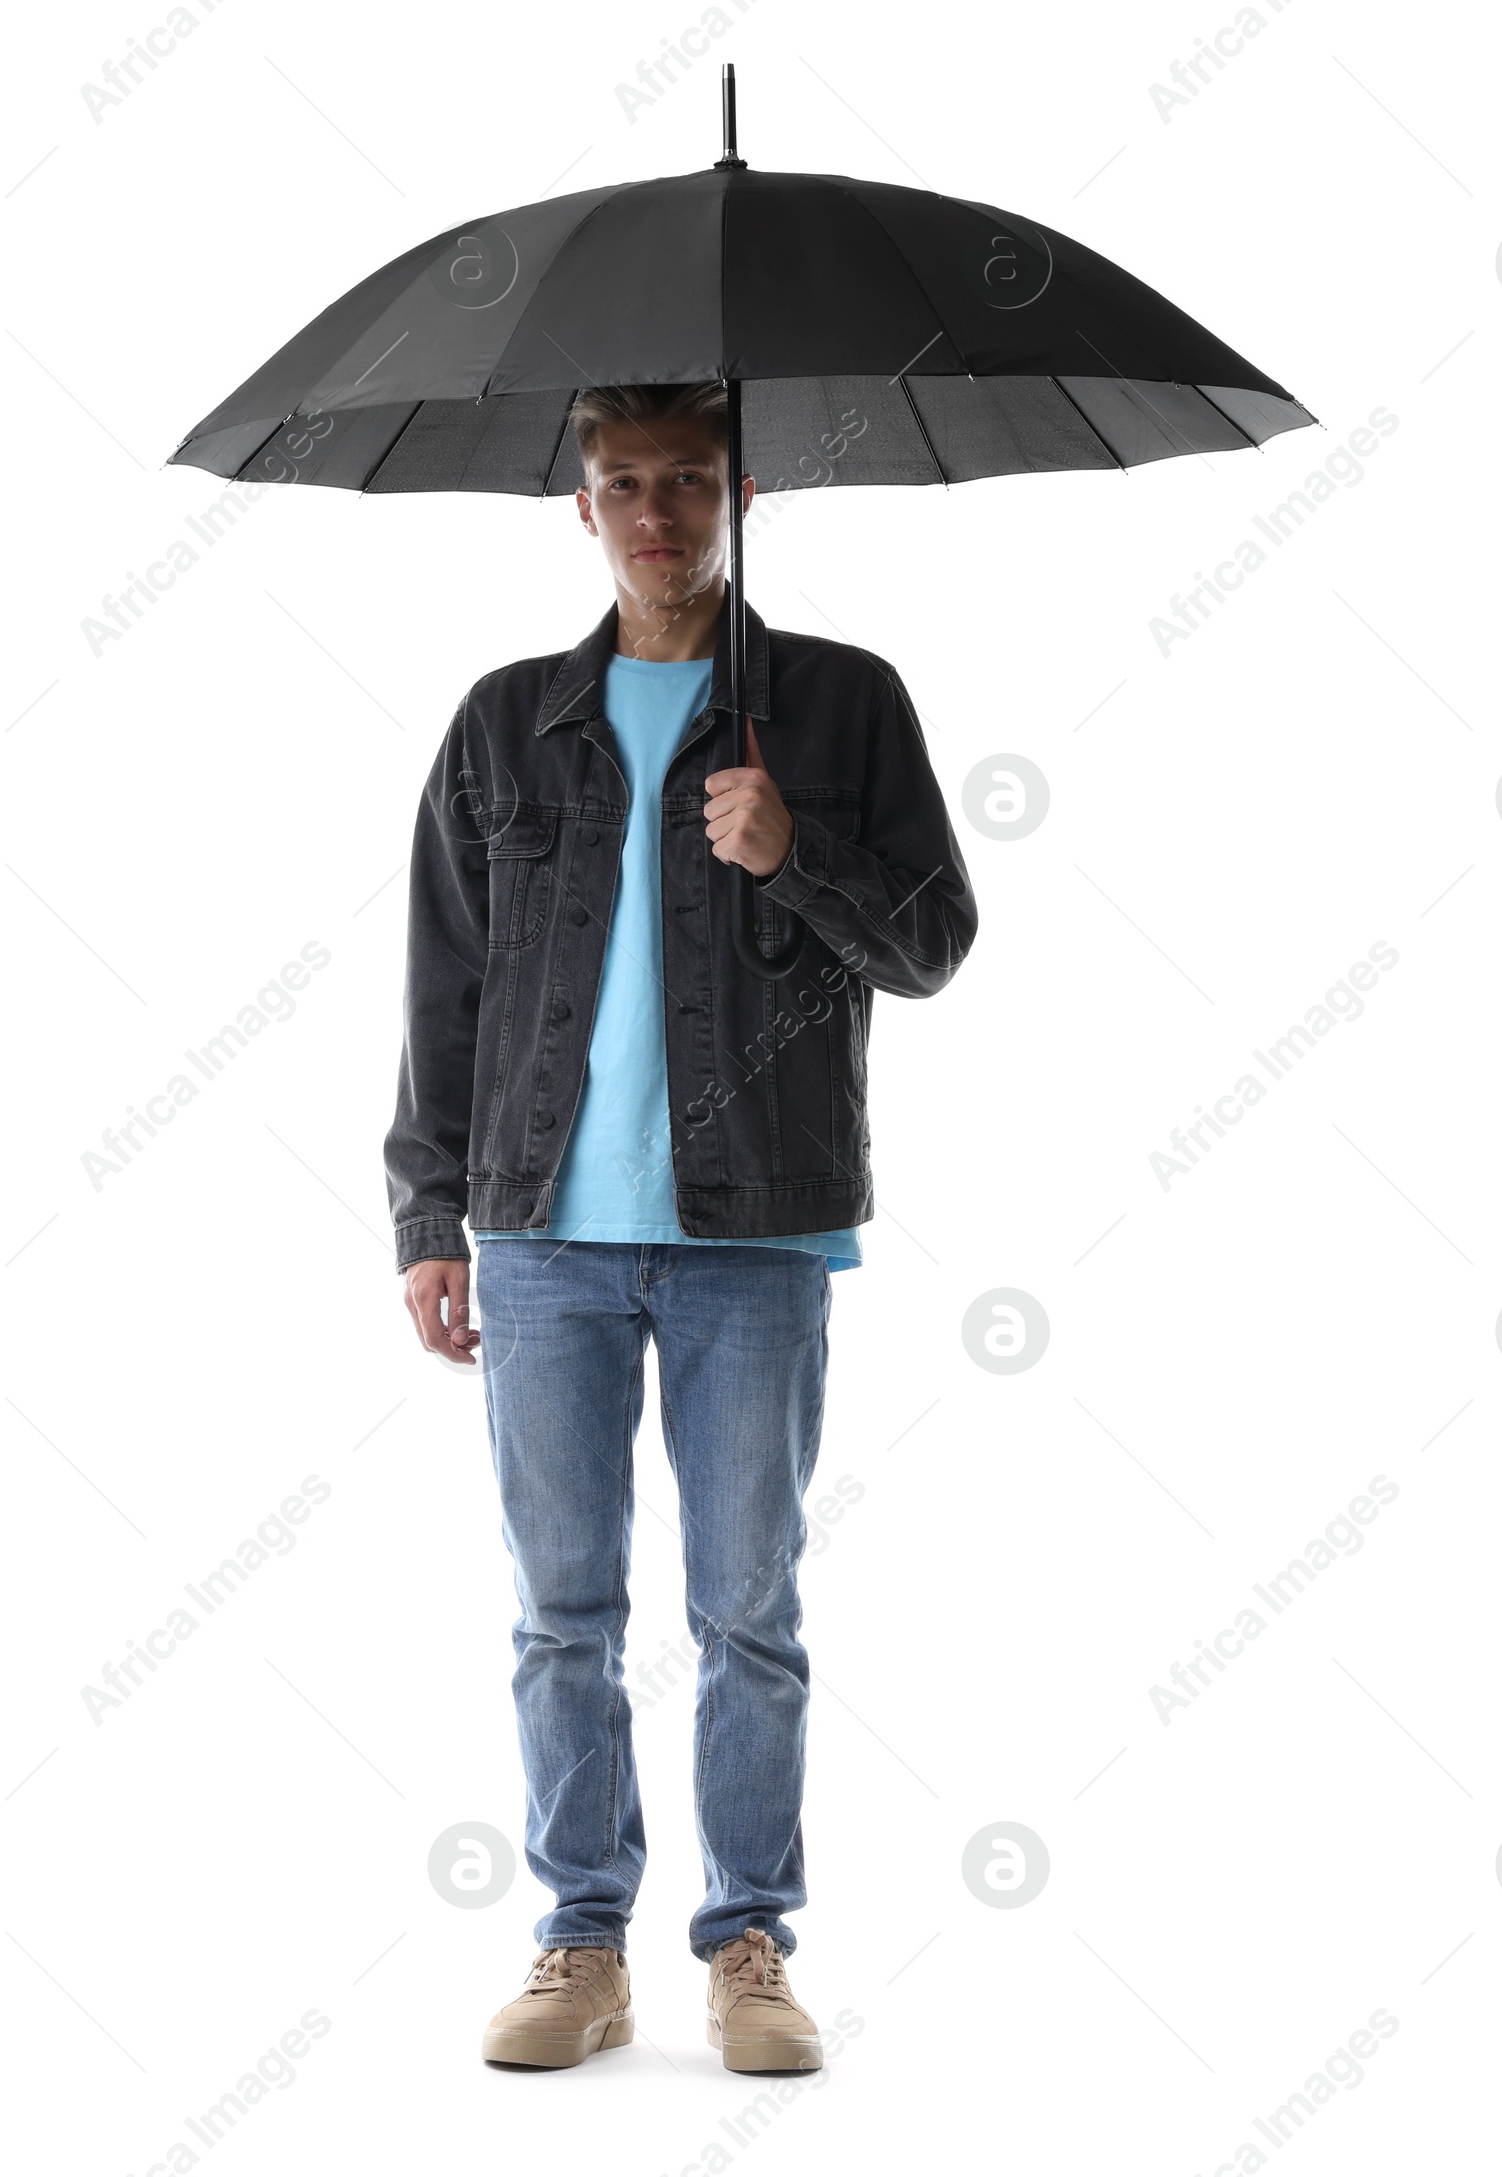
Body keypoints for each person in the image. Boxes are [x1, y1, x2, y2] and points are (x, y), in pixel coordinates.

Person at [383, 380, 977, 2071]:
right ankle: (583, 1940)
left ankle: (749, 1942)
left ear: (739, 494)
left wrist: (791, 854)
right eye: (627, 483)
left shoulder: (838, 708)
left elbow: (934, 942)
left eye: (691, 483)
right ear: (583, 506)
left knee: (747, 1611)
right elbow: (447, 985)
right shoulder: (509, 723)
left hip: (758, 1237)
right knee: (561, 1607)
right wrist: (431, 1208)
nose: (659, 513)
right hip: (543, 1238)